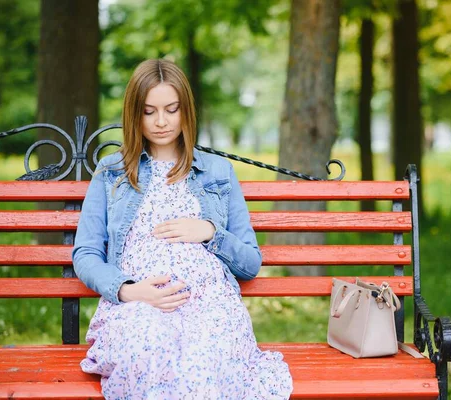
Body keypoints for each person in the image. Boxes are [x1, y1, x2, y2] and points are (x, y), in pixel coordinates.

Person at [73, 59, 293, 399]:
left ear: (185, 110)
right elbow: (86, 254)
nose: (161, 122)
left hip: (211, 308)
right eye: (149, 112)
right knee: (147, 347)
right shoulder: (112, 172)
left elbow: (250, 263)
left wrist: (209, 231)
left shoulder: (217, 172)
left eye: (171, 109)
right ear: (135, 114)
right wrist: (130, 290)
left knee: (201, 364)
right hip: (139, 306)